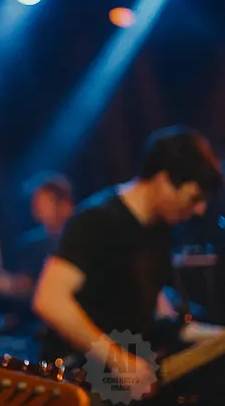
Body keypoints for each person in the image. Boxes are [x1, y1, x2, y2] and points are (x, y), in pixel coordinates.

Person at [32, 127, 224, 402]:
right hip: (79, 388)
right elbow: (49, 300)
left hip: (122, 390)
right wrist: (120, 361)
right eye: (194, 198)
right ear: (164, 180)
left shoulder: (158, 233)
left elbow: (160, 317)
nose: (199, 210)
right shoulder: (97, 220)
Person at [0, 172, 75, 301]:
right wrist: (10, 284)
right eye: (36, 202)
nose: (37, 207)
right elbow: (29, 284)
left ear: (65, 205)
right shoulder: (32, 245)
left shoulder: (80, 238)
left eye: (44, 201)